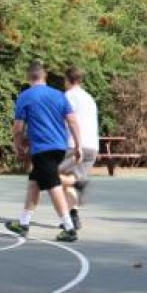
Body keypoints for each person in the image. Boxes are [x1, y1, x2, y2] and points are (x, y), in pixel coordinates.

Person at [5, 61, 82, 242]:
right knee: (34, 181)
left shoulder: (25, 96)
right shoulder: (59, 95)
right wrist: (78, 146)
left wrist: (18, 146)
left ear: (28, 77)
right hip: (59, 147)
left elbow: (18, 128)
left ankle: (69, 228)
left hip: (42, 148)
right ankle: (23, 224)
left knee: (53, 185)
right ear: (44, 76)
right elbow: (72, 121)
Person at [58, 65, 98, 231]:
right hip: (92, 145)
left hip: (74, 144)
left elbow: (64, 120)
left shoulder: (67, 96)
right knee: (68, 181)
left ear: (67, 80)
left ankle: (79, 182)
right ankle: (73, 215)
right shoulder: (89, 98)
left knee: (52, 177)